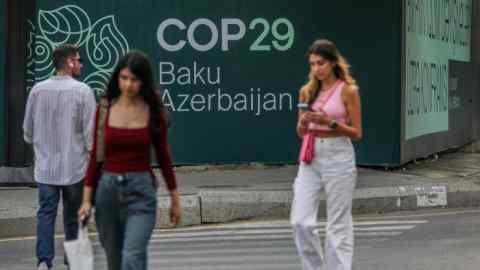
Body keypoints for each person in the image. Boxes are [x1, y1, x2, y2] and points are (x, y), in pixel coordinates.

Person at [78, 50, 181, 270]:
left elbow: (163, 156)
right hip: (107, 193)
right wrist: (87, 200)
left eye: (134, 80)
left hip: (141, 193)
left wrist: (175, 197)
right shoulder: (104, 109)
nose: (127, 85)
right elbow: (96, 155)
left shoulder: (153, 112)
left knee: (131, 257)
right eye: (123, 78)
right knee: (115, 263)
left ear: (143, 82)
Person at [23, 44, 97, 270]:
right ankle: (73, 261)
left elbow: (27, 131)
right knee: (73, 216)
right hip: (74, 166)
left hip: (45, 168)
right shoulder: (83, 91)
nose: (81, 64)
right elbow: (90, 134)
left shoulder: (37, 90)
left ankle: (44, 262)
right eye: (79, 60)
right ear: (69, 63)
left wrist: (41, 145)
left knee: (45, 214)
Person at [290, 39, 362, 270]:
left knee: (338, 225)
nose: (316, 69)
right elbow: (300, 132)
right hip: (311, 156)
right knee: (300, 221)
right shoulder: (307, 91)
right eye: (312, 64)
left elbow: (357, 132)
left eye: (320, 63)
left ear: (332, 63)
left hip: (338, 155)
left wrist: (329, 122)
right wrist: (303, 123)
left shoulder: (348, 90)